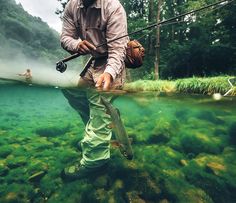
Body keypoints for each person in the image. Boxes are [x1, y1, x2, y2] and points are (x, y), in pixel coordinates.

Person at [60, 0, 128, 180]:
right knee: (74, 95)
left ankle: (96, 163)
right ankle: (98, 135)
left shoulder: (113, 7)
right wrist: (76, 45)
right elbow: (65, 37)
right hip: (93, 62)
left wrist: (110, 74)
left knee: (99, 108)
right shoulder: (71, 6)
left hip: (112, 64)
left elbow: (118, 50)